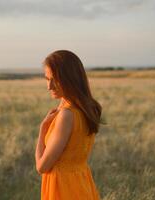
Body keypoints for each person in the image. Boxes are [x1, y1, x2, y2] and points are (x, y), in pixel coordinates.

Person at [35, 50, 102, 200]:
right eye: (47, 79)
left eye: (55, 80)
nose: (49, 86)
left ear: (70, 79)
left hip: (63, 189)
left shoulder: (67, 115)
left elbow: (41, 167)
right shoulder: (86, 108)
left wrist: (42, 129)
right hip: (81, 183)